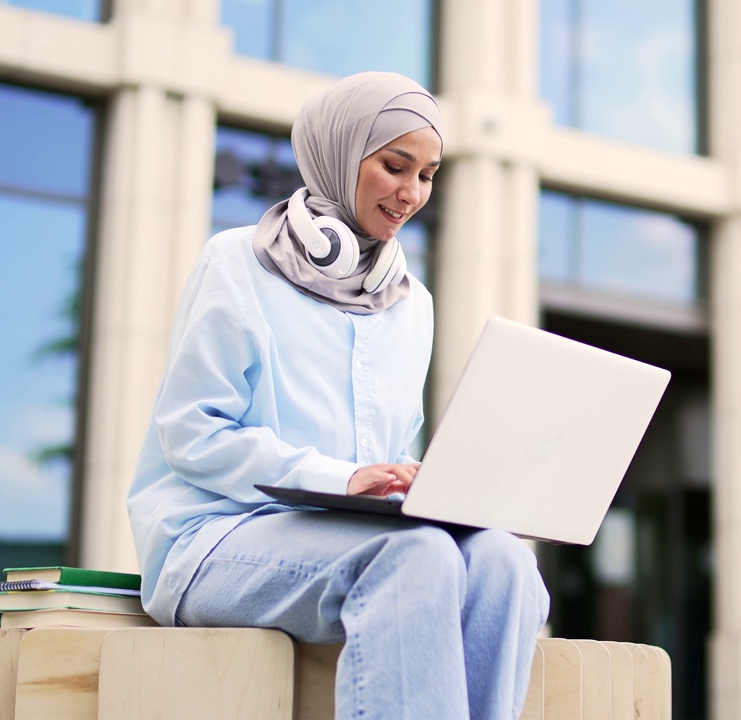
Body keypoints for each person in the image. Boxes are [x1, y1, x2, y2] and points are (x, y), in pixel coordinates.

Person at [127, 72, 550, 720]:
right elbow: (192, 432)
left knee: (503, 565)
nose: (412, 193)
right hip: (214, 539)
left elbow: (386, 453)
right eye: (394, 166)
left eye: (428, 175)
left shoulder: (412, 303)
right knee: (415, 556)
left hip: (345, 539)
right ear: (342, 154)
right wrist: (342, 477)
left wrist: (426, 486)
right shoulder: (237, 262)